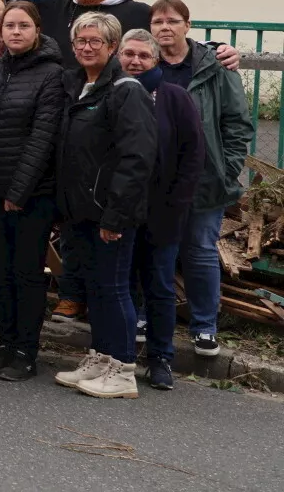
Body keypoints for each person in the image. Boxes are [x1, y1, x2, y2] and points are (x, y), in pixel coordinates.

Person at [2, 0, 238, 326]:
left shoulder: (135, 14)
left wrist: (219, 50)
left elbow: (170, 34)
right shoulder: (58, 10)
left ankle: (138, 333)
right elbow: (13, 7)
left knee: (124, 247)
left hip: (118, 145)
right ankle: (73, 297)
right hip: (68, 134)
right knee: (74, 229)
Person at [53, 12, 157, 399]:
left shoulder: (125, 90)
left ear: (112, 46)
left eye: (95, 41)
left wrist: (116, 214)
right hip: (81, 212)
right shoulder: (81, 86)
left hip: (110, 214)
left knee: (114, 289)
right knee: (96, 288)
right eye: (80, 40)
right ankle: (100, 356)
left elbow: (137, 159)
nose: (86, 47)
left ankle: (123, 369)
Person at [0, 1, 64, 381]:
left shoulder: (52, 74)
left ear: (37, 30)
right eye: (9, 26)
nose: (15, 32)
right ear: (0, 31)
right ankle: (4, 345)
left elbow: (43, 138)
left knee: (26, 275)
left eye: (23, 25)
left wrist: (17, 192)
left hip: (30, 198)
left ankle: (26, 350)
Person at [150, 0, 252, 359]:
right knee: (157, 250)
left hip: (206, 176)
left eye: (172, 21)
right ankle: (149, 318)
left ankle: (205, 326)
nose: (165, 27)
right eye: (158, 21)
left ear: (187, 25)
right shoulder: (146, 63)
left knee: (200, 252)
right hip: (157, 179)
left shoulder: (215, 66)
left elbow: (238, 122)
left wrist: (227, 167)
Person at [118, 29, 205, 390]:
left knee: (159, 288)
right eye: (128, 54)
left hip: (163, 213)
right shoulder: (112, 92)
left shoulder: (175, 98)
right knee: (119, 286)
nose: (135, 61)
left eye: (143, 55)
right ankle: (118, 357)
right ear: (117, 56)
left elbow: (193, 157)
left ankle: (160, 359)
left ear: (156, 61)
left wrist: (175, 207)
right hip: (119, 212)